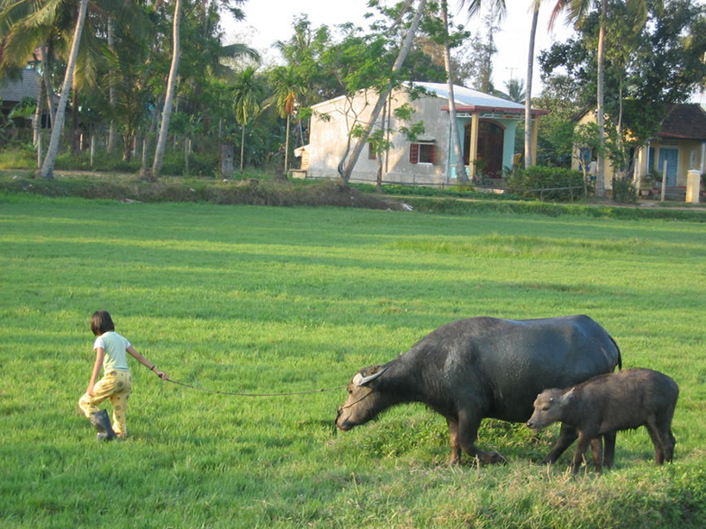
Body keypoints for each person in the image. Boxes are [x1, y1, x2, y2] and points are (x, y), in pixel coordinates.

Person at [78, 310, 168, 441]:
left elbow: (98, 360)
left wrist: (92, 382)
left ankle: (106, 432)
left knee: (85, 402)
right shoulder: (122, 339)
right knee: (119, 409)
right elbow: (138, 356)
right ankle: (121, 434)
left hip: (113, 377)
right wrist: (156, 370)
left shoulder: (101, 339)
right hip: (127, 378)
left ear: (96, 326)